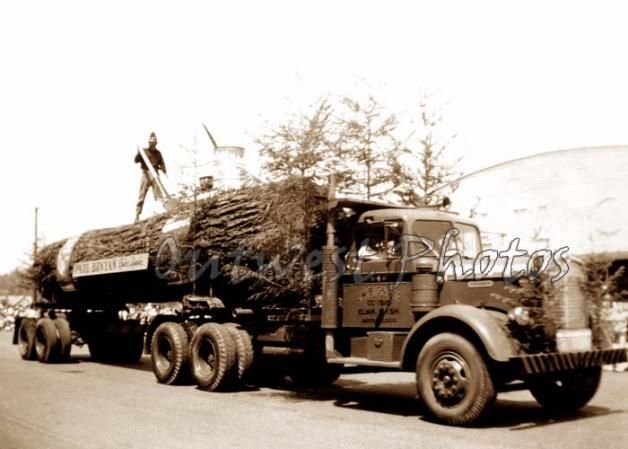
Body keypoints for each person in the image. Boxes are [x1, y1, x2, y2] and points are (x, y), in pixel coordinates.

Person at [134, 132, 167, 222]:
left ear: (156, 143)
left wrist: (164, 171)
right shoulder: (144, 151)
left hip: (155, 174)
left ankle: (167, 209)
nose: (152, 144)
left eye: (154, 142)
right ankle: (137, 215)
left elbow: (162, 164)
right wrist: (139, 153)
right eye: (151, 142)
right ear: (149, 142)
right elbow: (136, 160)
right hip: (146, 173)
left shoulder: (158, 153)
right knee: (142, 195)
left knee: (159, 193)